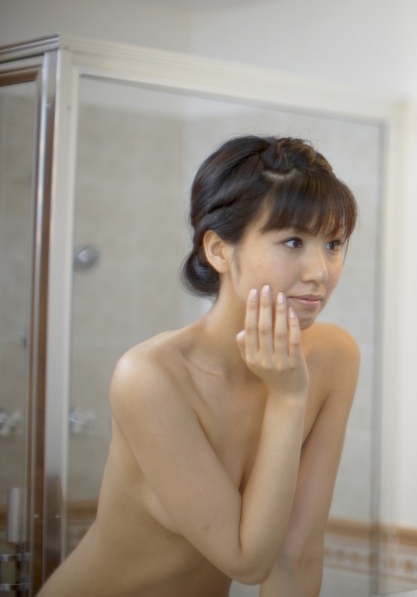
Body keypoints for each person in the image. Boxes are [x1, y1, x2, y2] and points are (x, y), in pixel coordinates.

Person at [40, 135, 361, 597]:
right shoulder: (150, 377)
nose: (320, 271)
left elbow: (297, 556)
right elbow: (247, 561)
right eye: (293, 241)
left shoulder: (334, 357)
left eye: (333, 243)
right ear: (218, 250)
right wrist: (287, 396)